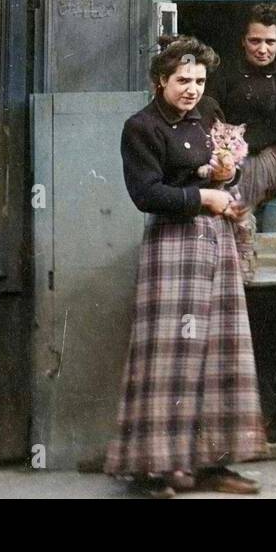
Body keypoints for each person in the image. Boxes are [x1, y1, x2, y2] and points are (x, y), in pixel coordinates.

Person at [105, 35, 266, 498]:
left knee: (220, 352)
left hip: (216, 241)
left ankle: (213, 465)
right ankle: (157, 469)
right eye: (182, 80)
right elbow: (145, 194)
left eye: (198, 80)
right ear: (160, 81)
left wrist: (225, 178)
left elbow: (225, 167)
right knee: (169, 357)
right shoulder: (141, 127)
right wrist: (202, 197)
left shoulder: (207, 114)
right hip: (172, 247)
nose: (192, 89)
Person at [211, 3, 276, 270]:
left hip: (271, 159)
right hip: (229, 158)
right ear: (243, 40)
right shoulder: (225, 73)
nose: (263, 49)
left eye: (270, 42)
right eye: (255, 41)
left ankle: (247, 255)